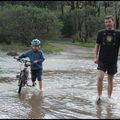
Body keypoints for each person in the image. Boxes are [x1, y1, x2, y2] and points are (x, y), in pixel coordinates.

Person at [93, 15, 120, 104]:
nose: (108, 23)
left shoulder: (118, 33)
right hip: (102, 60)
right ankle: (99, 97)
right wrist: (95, 57)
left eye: (109, 21)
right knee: (100, 77)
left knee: (110, 80)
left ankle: (109, 97)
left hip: (113, 60)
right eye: (106, 22)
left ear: (113, 22)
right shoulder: (101, 33)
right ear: (105, 23)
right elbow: (97, 46)